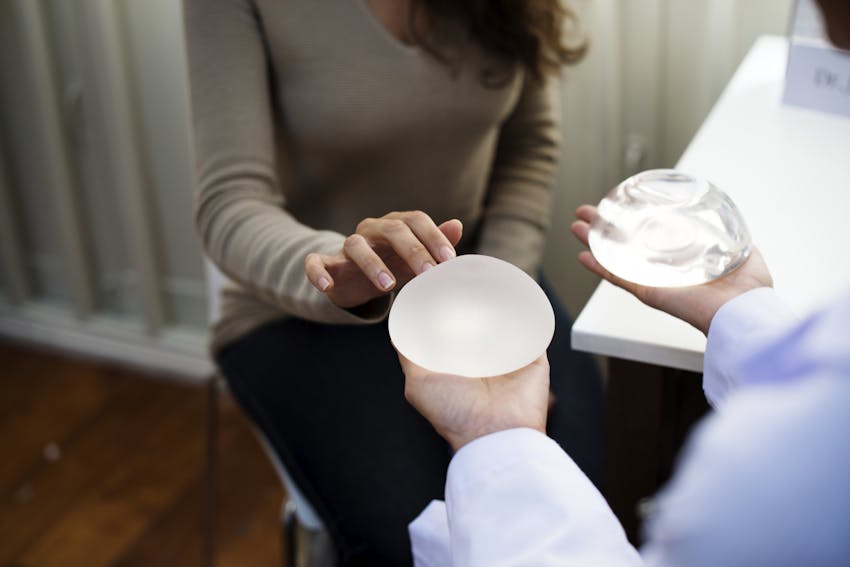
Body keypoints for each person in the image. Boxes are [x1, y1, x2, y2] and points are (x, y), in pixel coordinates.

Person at [401, 5, 850, 563]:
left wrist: (497, 439)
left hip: (485, 284)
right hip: (324, 304)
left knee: (601, 456)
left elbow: (529, 148)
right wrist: (743, 310)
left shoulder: (755, 491)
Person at [183, 1, 605, 563]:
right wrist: (333, 268)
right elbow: (228, 203)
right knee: (416, 539)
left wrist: (501, 301)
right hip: (301, 310)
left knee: (583, 482)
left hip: (469, 282)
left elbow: (527, 148)